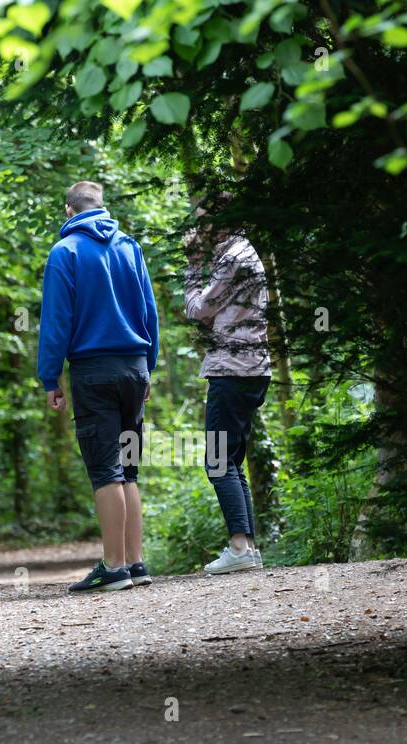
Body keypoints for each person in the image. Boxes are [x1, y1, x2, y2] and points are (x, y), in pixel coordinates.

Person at [38, 181, 160, 593]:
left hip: (94, 373)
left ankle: (113, 567)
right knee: (128, 468)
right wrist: (149, 369)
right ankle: (134, 563)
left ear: (68, 210)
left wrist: (49, 377)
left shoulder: (65, 252)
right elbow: (150, 313)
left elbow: (56, 322)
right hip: (135, 369)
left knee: (106, 469)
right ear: (102, 208)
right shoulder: (130, 247)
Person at [184, 200, 271, 575]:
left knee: (218, 460)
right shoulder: (246, 251)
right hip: (251, 368)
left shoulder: (232, 257)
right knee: (231, 459)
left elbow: (200, 310)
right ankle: (247, 548)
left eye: (205, 224)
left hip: (232, 370)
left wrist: (191, 266)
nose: (201, 231)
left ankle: (239, 545)